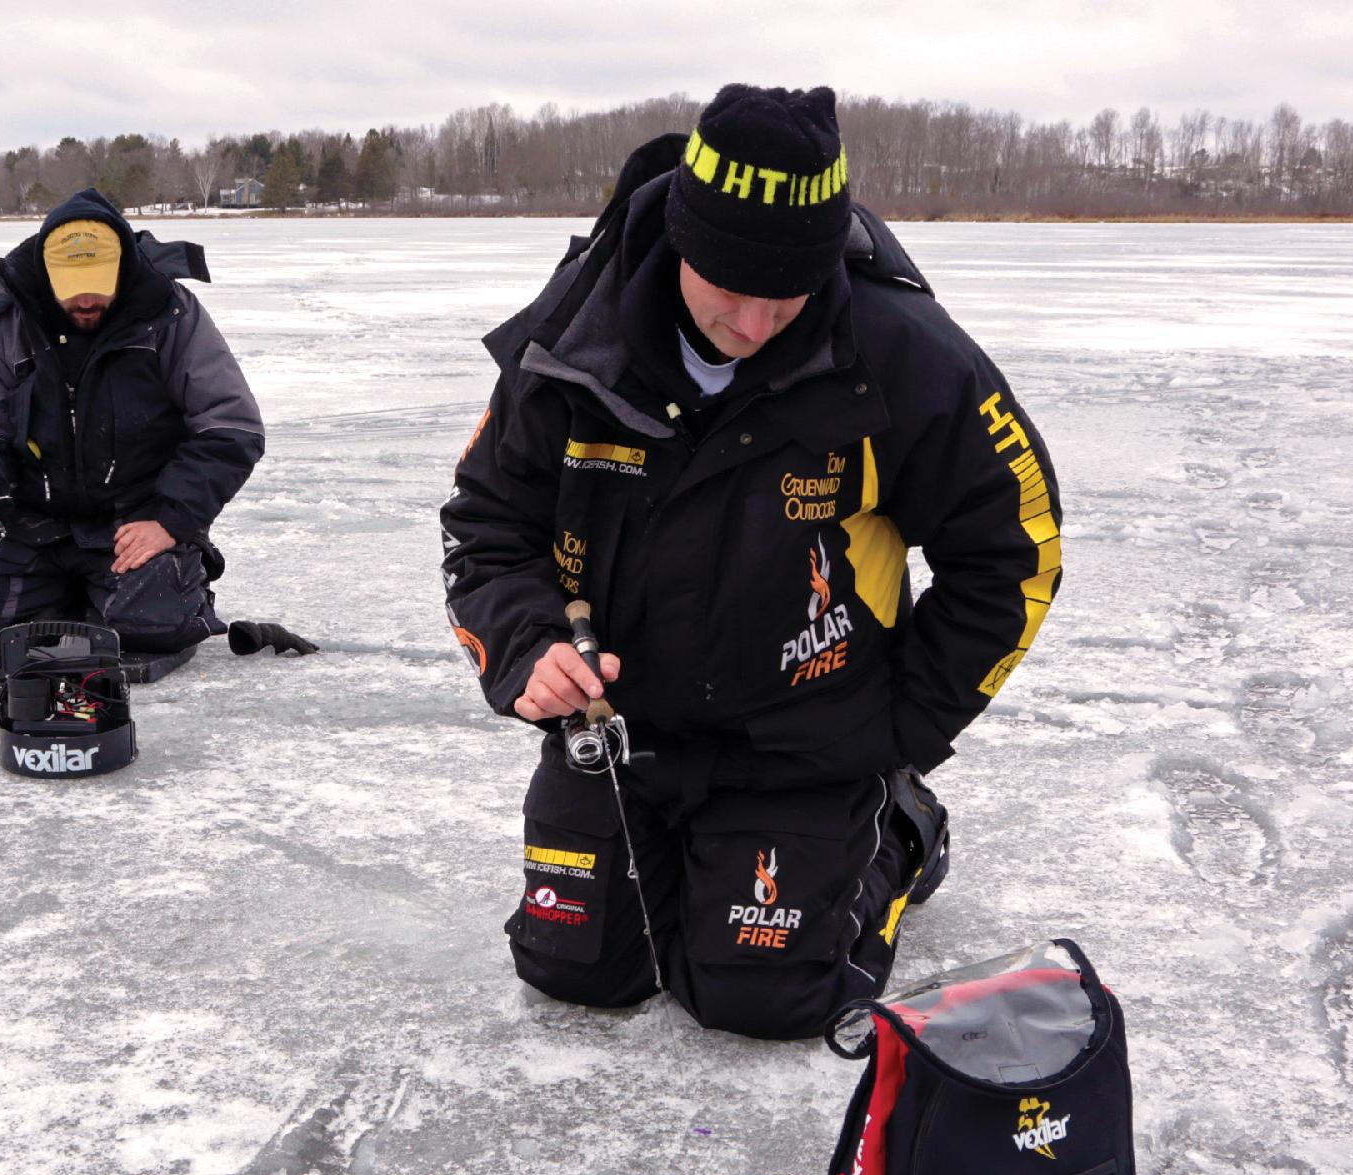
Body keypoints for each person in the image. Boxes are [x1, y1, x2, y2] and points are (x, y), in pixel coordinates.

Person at [440, 85, 1064, 1040]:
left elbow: (1017, 549)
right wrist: (525, 651)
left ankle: (898, 827)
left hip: (804, 743)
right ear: (683, 242)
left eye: (790, 292)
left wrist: (896, 726)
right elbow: (486, 520)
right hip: (619, 732)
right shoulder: (573, 340)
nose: (757, 320)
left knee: (765, 999)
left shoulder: (902, 354)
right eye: (730, 283)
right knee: (574, 970)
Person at [0, 188, 263, 654]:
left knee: (151, 630)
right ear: (48, 276)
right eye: (72, 287)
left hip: (136, 517)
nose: (87, 300)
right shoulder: (8, 319)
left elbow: (231, 427)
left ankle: (171, 579)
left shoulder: (169, 313)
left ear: (121, 269)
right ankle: (78, 593)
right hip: (37, 522)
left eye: (98, 283)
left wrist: (170, 520)